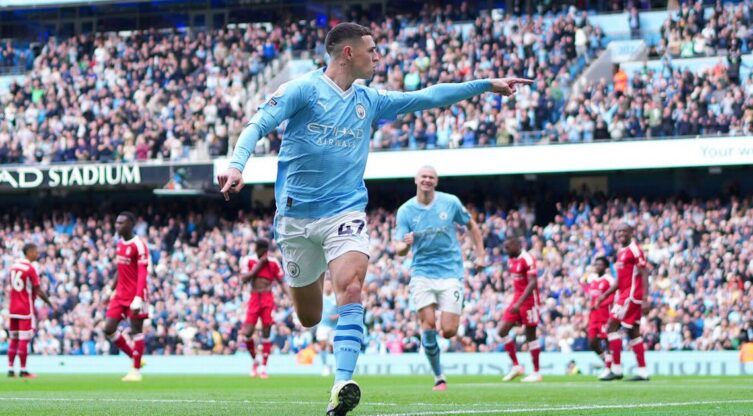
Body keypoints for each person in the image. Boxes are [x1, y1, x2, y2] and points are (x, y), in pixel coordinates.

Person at [217, 22, 532, 415]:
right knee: (309, 316)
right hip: (295, 219)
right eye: (373, 50)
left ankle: (341, 384)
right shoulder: (302, 89)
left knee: (351, 288)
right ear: (348, 53)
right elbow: (257, 124)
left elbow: (427, 97)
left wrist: (485, 85)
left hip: (344, 212)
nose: (378, 56)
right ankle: (315, 288)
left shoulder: (370, 99)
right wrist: (236, 164)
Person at [394, 165, 485, 391]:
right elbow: (398, 249)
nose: (427, 180)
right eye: (423, 176)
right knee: (428, 325)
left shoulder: (450, 202)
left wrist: (481, 254)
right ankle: (439, 377)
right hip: (422, 273)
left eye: (431, 177)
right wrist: (405, 246)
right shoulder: (405, 211)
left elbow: (471, 225)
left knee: (449, 330)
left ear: (436, 181)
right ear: (416, 180)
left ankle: (453, 316)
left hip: (450, 272)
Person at [598, 223, 650, 381]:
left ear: (631, 233)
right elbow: (620, 280)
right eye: (618, 231)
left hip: (631, 296)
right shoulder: (621, 252)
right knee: (633, 332)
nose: (621, 234)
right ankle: (643, 371)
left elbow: (644, 272)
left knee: (611, 327)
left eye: (624, 231)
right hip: (624, 295)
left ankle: (616, 369)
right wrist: (604, 295)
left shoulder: (635, 250)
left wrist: (645, 298)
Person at [103, 211, 150, 382]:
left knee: (136, 330)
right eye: (116, 223)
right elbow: (120, 269)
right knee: (108, 329)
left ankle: (136, 371)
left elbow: (143, 273)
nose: (117, 226)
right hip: (120, 295)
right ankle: (135, 357)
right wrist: (110, 289)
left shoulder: (139, 245)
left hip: (136, 295)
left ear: (131, 225)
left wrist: (138, 297)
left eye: (121, 223)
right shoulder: (120, 244)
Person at [498, 237, 542, 383]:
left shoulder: (527, 259)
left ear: (517, 245)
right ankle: (516, 366)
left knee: (530, 336)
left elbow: (532, 283)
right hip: (516, 300)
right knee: (502, 331)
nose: (506, 251)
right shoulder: (511, 260)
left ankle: (536, 372)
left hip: (529, 301)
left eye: (508, 247)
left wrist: (519, 303)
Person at [6, 243, 53, 378]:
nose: (37, 254)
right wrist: (49, 302)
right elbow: (37, 290)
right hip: (25, 307)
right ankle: (23, 370)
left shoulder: (14, 266)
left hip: (13, 308)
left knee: (14, 338)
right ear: (30, 252)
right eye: (35, 252)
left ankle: (10, 369)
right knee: (23, 339)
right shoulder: (30, 268)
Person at [240, 239, 285, 379]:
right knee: (247, 332)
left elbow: (281, 282)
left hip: (267, 297)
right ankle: (255, 361)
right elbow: (244, 278)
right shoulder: (249, 260)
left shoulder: (273, 262)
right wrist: (259, 266)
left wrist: (291, 297)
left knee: (266, 331)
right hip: (254, 297)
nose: (262, 252)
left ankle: (264, 367)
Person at [585, 256, 615, 378]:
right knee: (592, 343)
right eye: (596, 264)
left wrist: (601, 304)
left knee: (607, 342)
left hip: (604, 316)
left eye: (600, 264)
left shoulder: (609, 280)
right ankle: (608, 363)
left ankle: (609, 368)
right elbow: (591, 296)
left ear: (606, 267)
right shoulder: (592, 279)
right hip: (593, 317)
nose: (597, 267)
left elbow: (613, 296)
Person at [315, 278, 338, 376]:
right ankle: (325, 366)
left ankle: (336, 367)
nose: (328, 287)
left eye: (329, 285)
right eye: (326, 285)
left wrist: (337, 316)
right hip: (322, 325)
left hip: (334, 327)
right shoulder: (319, 297)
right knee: (323, 344)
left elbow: (343, 310)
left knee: (333, 348)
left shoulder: (336, 297)